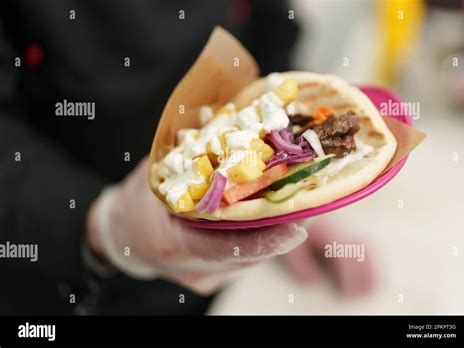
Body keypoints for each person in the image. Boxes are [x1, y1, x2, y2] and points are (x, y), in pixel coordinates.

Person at [0, 0, 373, 315]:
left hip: (230, 274)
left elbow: (271, 23)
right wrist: (105, 225)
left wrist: (296, 184)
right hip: (55, 267)